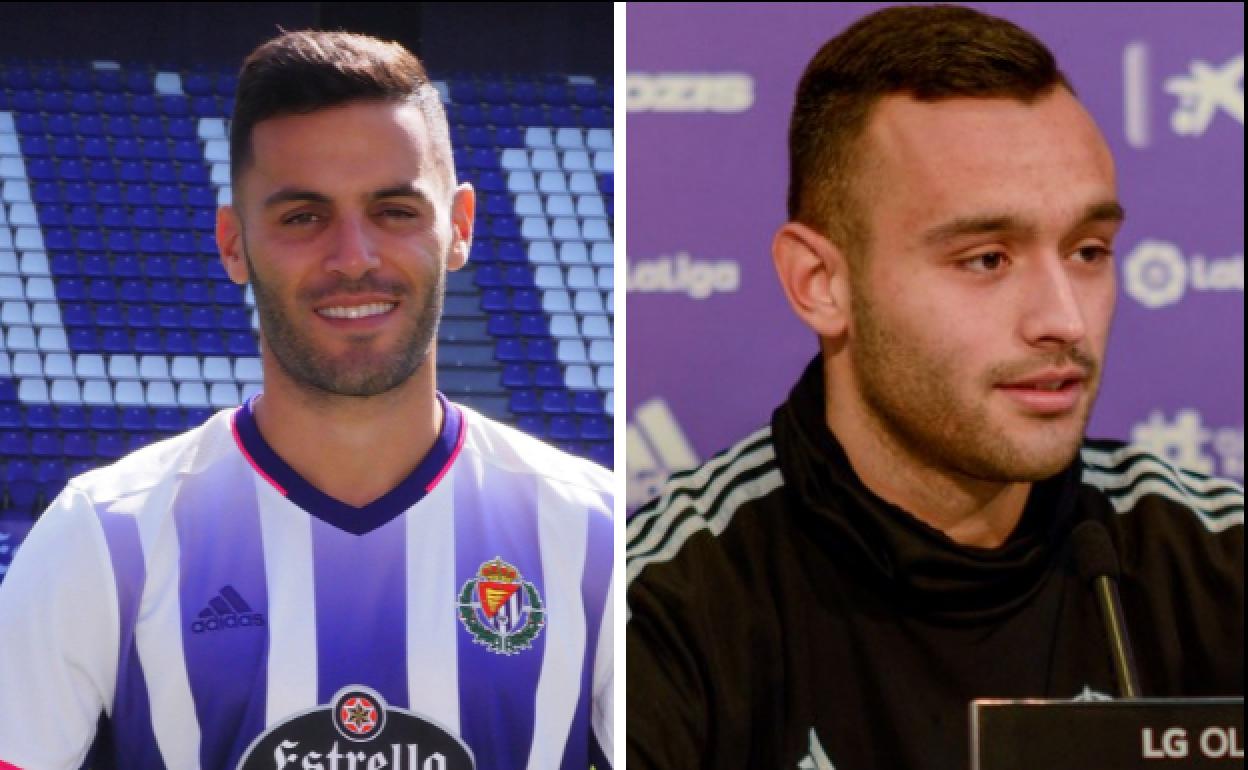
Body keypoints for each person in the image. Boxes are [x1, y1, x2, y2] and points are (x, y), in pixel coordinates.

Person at [626, 6, 1243, 770]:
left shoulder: (1218, 561)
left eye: (1088, 250)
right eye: (987, 259)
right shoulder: (659, 607)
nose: (1066, 320)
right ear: (821, 283)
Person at [0, 30, 613, 770]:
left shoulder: (593, 538)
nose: (353, 257)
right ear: (233, 243)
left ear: (460, 226)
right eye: (302, 217)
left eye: (393, 210)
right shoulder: (104, 539)